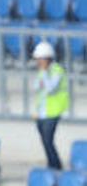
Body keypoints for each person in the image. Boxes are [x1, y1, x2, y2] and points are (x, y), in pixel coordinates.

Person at [34, 41, 70, 170]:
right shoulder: (43, 71)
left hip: (53, 112)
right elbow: (36, 86)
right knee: (44, 141)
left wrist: (44, 75)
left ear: (47, 58)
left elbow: (50, 88)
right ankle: (51, 164)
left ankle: (56, 166)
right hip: (42, 112)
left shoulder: (57, 71)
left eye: (40, 59)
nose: (38, 62)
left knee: (48, 141)